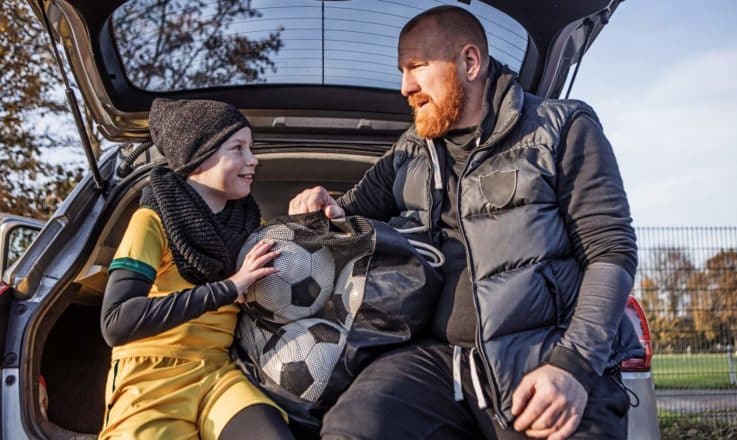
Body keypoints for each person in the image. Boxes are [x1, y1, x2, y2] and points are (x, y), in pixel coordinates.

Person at [288, 6, 643, 440]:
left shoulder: (562, 127)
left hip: (543, 358)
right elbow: (348, 211)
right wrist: (323, 207)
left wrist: (574, 365)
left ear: (469, 63)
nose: (405, 87)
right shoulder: (408, 151)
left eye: (416, 67)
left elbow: (612, 251)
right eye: (402, 71)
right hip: (439, 362)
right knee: (353, 428)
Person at [99, 98, 293, 439]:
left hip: (218, 374)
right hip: (150, 376)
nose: (253, 160)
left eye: (252, 148)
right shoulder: (150, 221)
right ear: (198, 157)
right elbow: (117, 322)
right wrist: (230, 287)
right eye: (238, 148)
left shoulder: (253, 225)